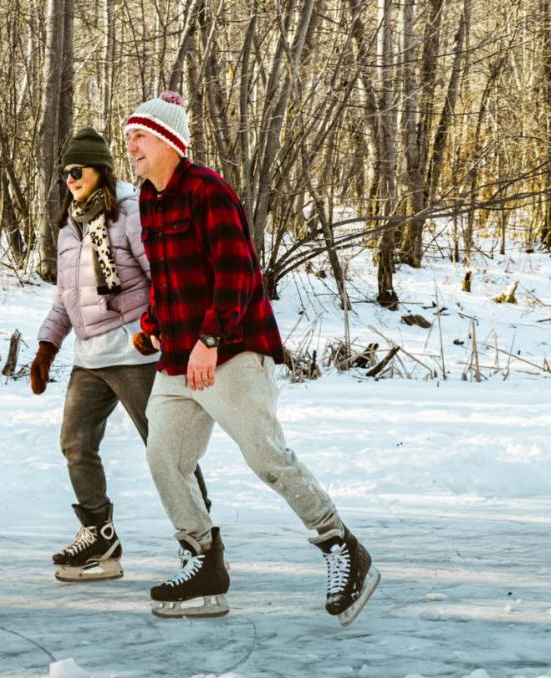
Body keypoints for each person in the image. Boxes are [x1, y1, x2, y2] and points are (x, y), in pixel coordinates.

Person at [122, 91, 380, 624]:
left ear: (169, 141)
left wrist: (210, 341)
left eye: (139, 136)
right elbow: (170, 279)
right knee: (164, 459)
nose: (130, 147)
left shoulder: (207, 191)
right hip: (178, 360)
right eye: (128, 137)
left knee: (266, 458)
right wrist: (152, 326)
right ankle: (204, 565)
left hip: (231, 351)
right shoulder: (148, 198)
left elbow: (238, 273)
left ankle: (342, 546)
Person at [31, 127, 210, 583]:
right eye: (65, 172)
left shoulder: (130, 212)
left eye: (78, 171)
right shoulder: (70, 226)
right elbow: (65, 298)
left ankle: (200, 542)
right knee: (76, 443)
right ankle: (99, 535)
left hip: (136, 351)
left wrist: (157, 331)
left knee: (167, 448)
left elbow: (162, 275)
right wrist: (47, 346)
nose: (70, 179)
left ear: (101, 172)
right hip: (90, 356)